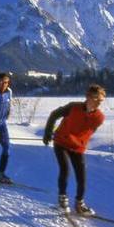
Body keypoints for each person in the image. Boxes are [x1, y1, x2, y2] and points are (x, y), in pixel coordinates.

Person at [42, 84, 106, 216]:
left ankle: (79, 204)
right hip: (61, 142)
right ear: (88, 97)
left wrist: (79, 141)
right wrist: (48, 132)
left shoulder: (99, 117)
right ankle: (62, 201)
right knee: (65, 169)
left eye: (101, 101)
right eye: (96, 99)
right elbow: (54, 114)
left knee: (81, 175)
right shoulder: (73, 107)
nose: (98, 103)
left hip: (77, 146)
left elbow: (88, 131)